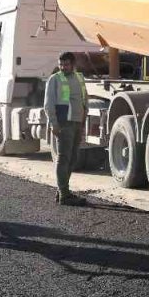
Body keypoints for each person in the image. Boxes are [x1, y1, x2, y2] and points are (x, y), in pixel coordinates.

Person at [44, 51, 88, 206]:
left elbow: (84, 98)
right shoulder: (54, 79)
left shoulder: (79, 78)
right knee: (64, 158)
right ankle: (64, 194)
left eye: (66, 64)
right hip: (64, 124)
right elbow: (49, 104)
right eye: (61, 64)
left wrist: (84, 120)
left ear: (73, 65)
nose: (63, 67)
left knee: (73, 158)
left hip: (77, 123)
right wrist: (53, 123)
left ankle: (61, 190)